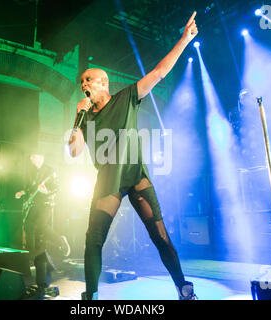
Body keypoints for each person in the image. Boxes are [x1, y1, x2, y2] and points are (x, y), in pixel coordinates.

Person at [68, 12, 199, 300]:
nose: (84, 85)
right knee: (93, 240)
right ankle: (90, 296)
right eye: (81, 83)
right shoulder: (84, 117)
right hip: (109, 180)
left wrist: (184, 39)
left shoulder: (126, 97)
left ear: (103, 82)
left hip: (136, 175)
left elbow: (159, 73)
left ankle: (184, 289)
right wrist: (75, 119)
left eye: (88, 80)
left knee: (161, 237)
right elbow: (74, 150)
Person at [15, 152, 70, 261]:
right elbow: (32, 188)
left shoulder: (50, 171)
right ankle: (31, 255)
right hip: (35, 203)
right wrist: (23, 192)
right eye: (33, 157)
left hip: (46, 203)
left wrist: (46, 191)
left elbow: (57, 187)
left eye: (37, 157)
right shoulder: (32, 172)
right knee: (28, 226)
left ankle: (60, 241)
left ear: (42, 158)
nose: (34, 159)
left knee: (41, 226)